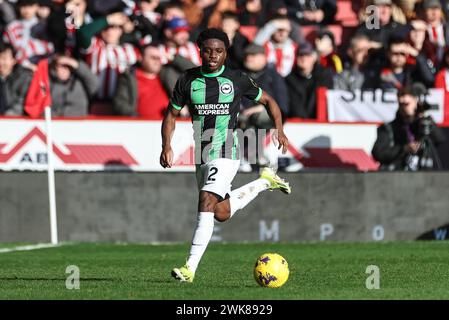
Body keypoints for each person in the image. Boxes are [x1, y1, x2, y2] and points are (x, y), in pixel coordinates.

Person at [160, 28, 291, 283]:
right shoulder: (187, 80)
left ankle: (189, 268)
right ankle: (265, 181)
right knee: (221, 212)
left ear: (225, 53)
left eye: (219, 51)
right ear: (200, 50)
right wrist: (167, 145)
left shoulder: (237, 79)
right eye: (208, 50)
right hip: (202, 153)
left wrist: (279, 129)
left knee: (206, 200)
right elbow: (171, 115)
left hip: (226, 150)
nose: (213, 55)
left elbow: (270, 101)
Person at [372, 85, 445, 171]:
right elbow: (378, 153)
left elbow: (440, 140)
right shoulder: (389, 128)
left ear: (415, 102)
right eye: (400, 104)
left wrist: (424, 118)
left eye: (406, 104)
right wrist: (404, 149)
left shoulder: (423, 123)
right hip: (398, 174)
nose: (403, 107)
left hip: (424, 174)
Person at [285, 41, 333, 118]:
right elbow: (293, 105)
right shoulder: (289, 79)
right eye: (301, 55)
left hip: (319, 122)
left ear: (314, 58)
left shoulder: (323, 76)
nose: (304, 58)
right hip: (297, 124)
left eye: (307, 55)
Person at [0, 42, 32, 115]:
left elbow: (21, 103)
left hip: (16, 121)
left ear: (14, 61)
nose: (0, 62)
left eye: (4, 58)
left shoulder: (24, 78)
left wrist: (5, 119)